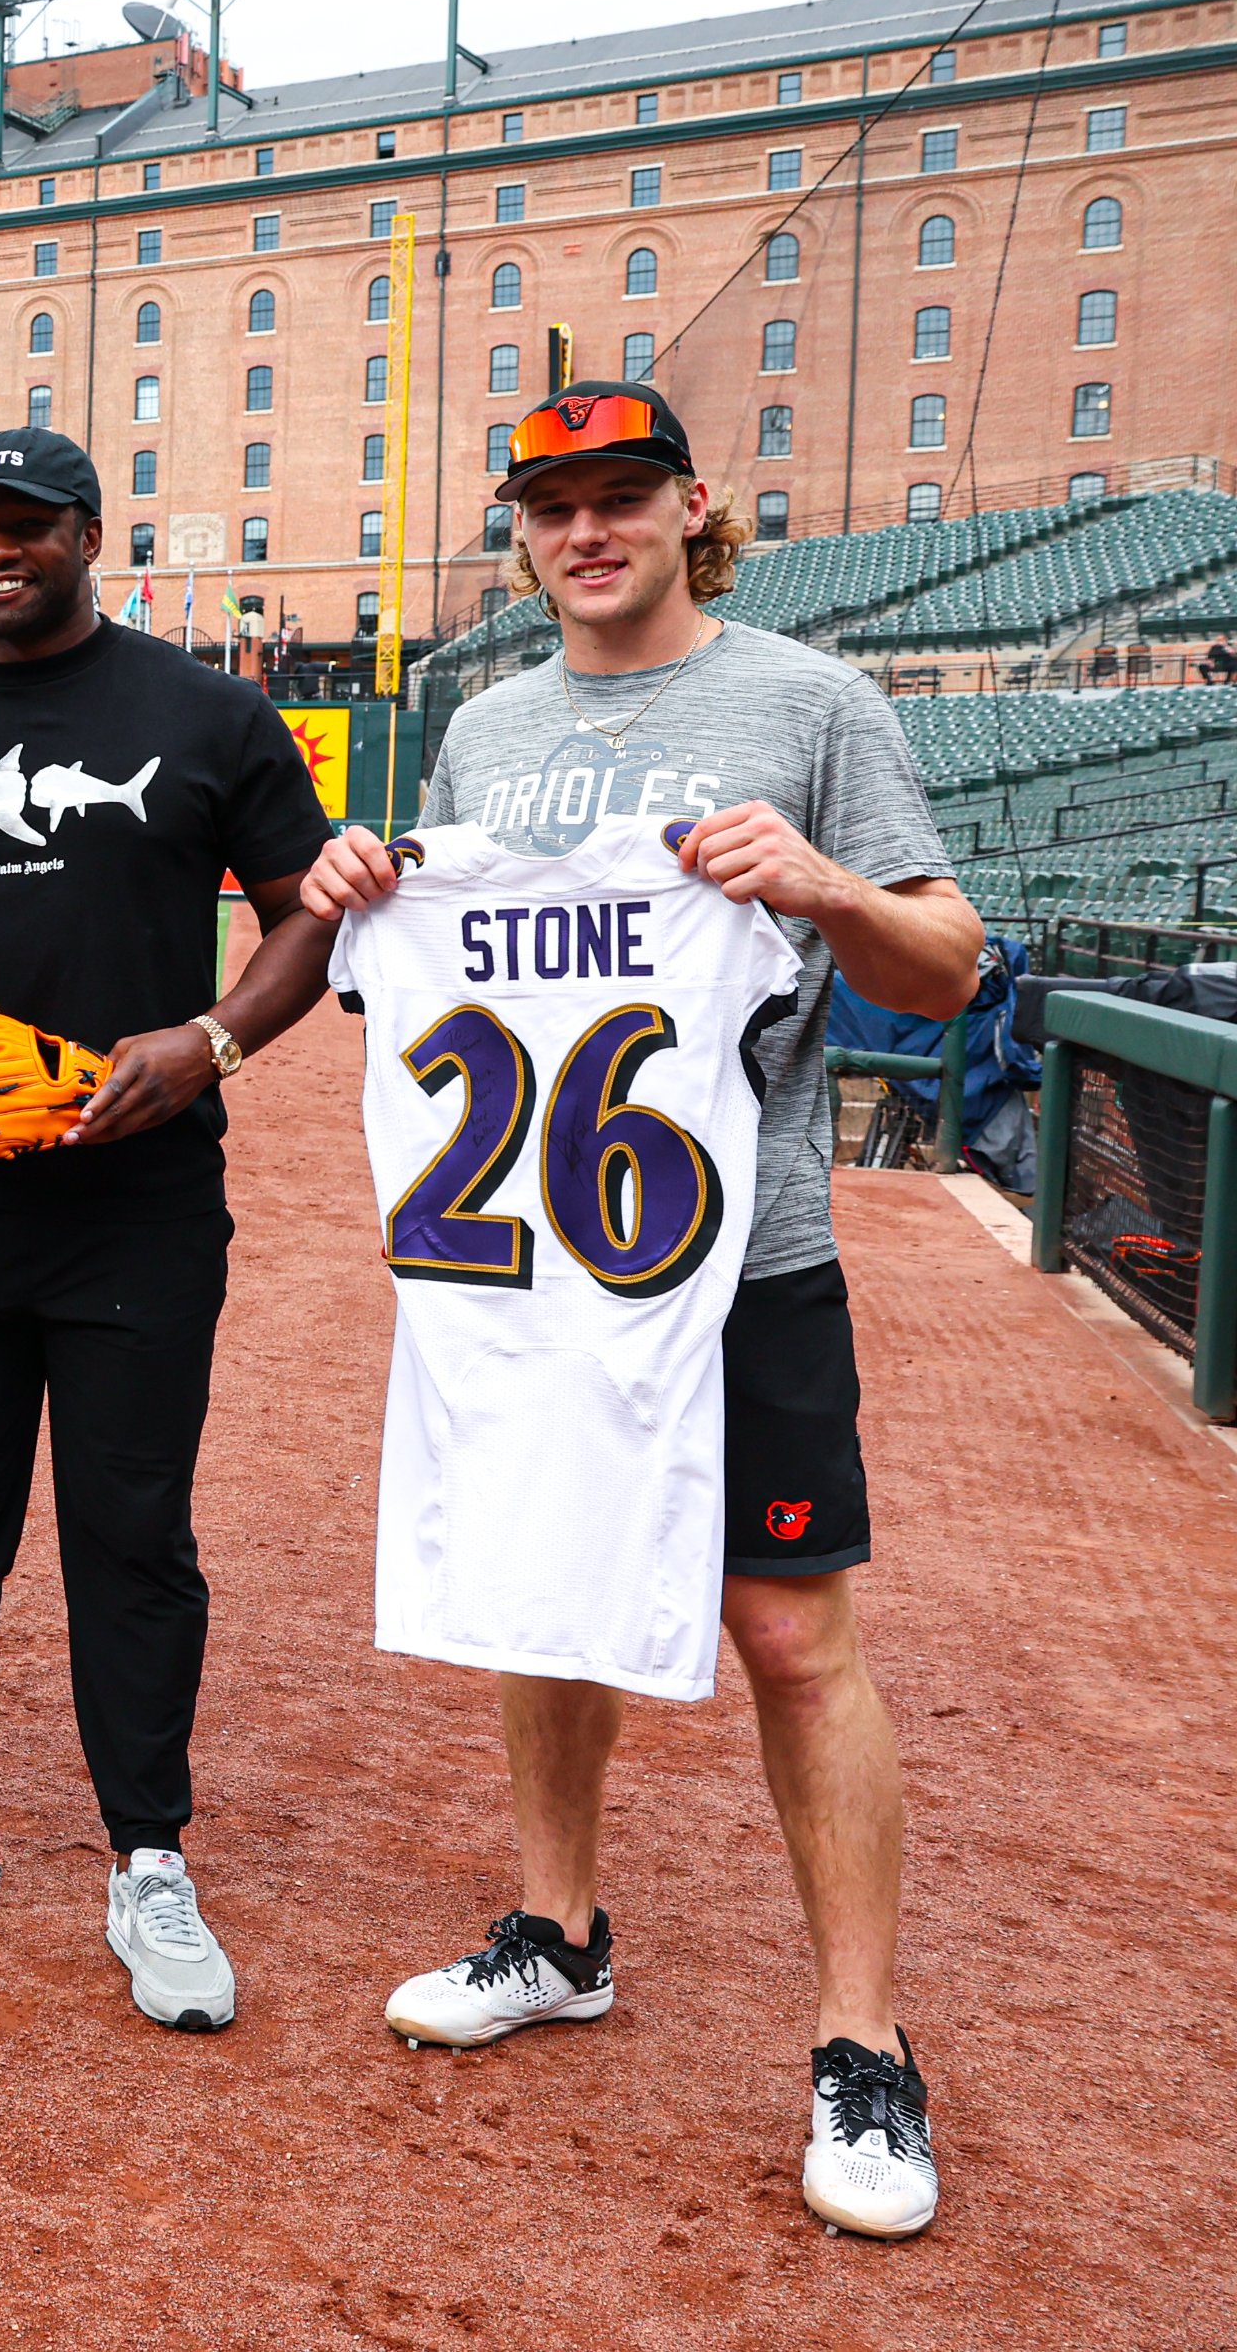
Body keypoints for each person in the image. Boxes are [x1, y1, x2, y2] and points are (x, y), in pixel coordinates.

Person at [294, 380, 979, 2239]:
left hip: (741, 1264)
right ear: (522, 531)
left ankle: (862, 2039)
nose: (583, 530)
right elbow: (424, 992)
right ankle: (559, 1930)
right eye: (549, 503)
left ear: (693, 507)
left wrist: (822, 883)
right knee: (543, 1588)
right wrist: (369, 878)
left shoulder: (808, 700)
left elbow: (945, 952)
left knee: (788, 1633)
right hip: (523, 1263)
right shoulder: (485, 727)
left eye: (619, 495)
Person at [0, 425, 336, 2031]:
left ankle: (148, 1853)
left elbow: (304, 910)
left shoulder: (208, 712)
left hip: (138, 1201)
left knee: (130, 1528)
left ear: (92, 534)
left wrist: (213, 1039)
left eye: (26, 525)